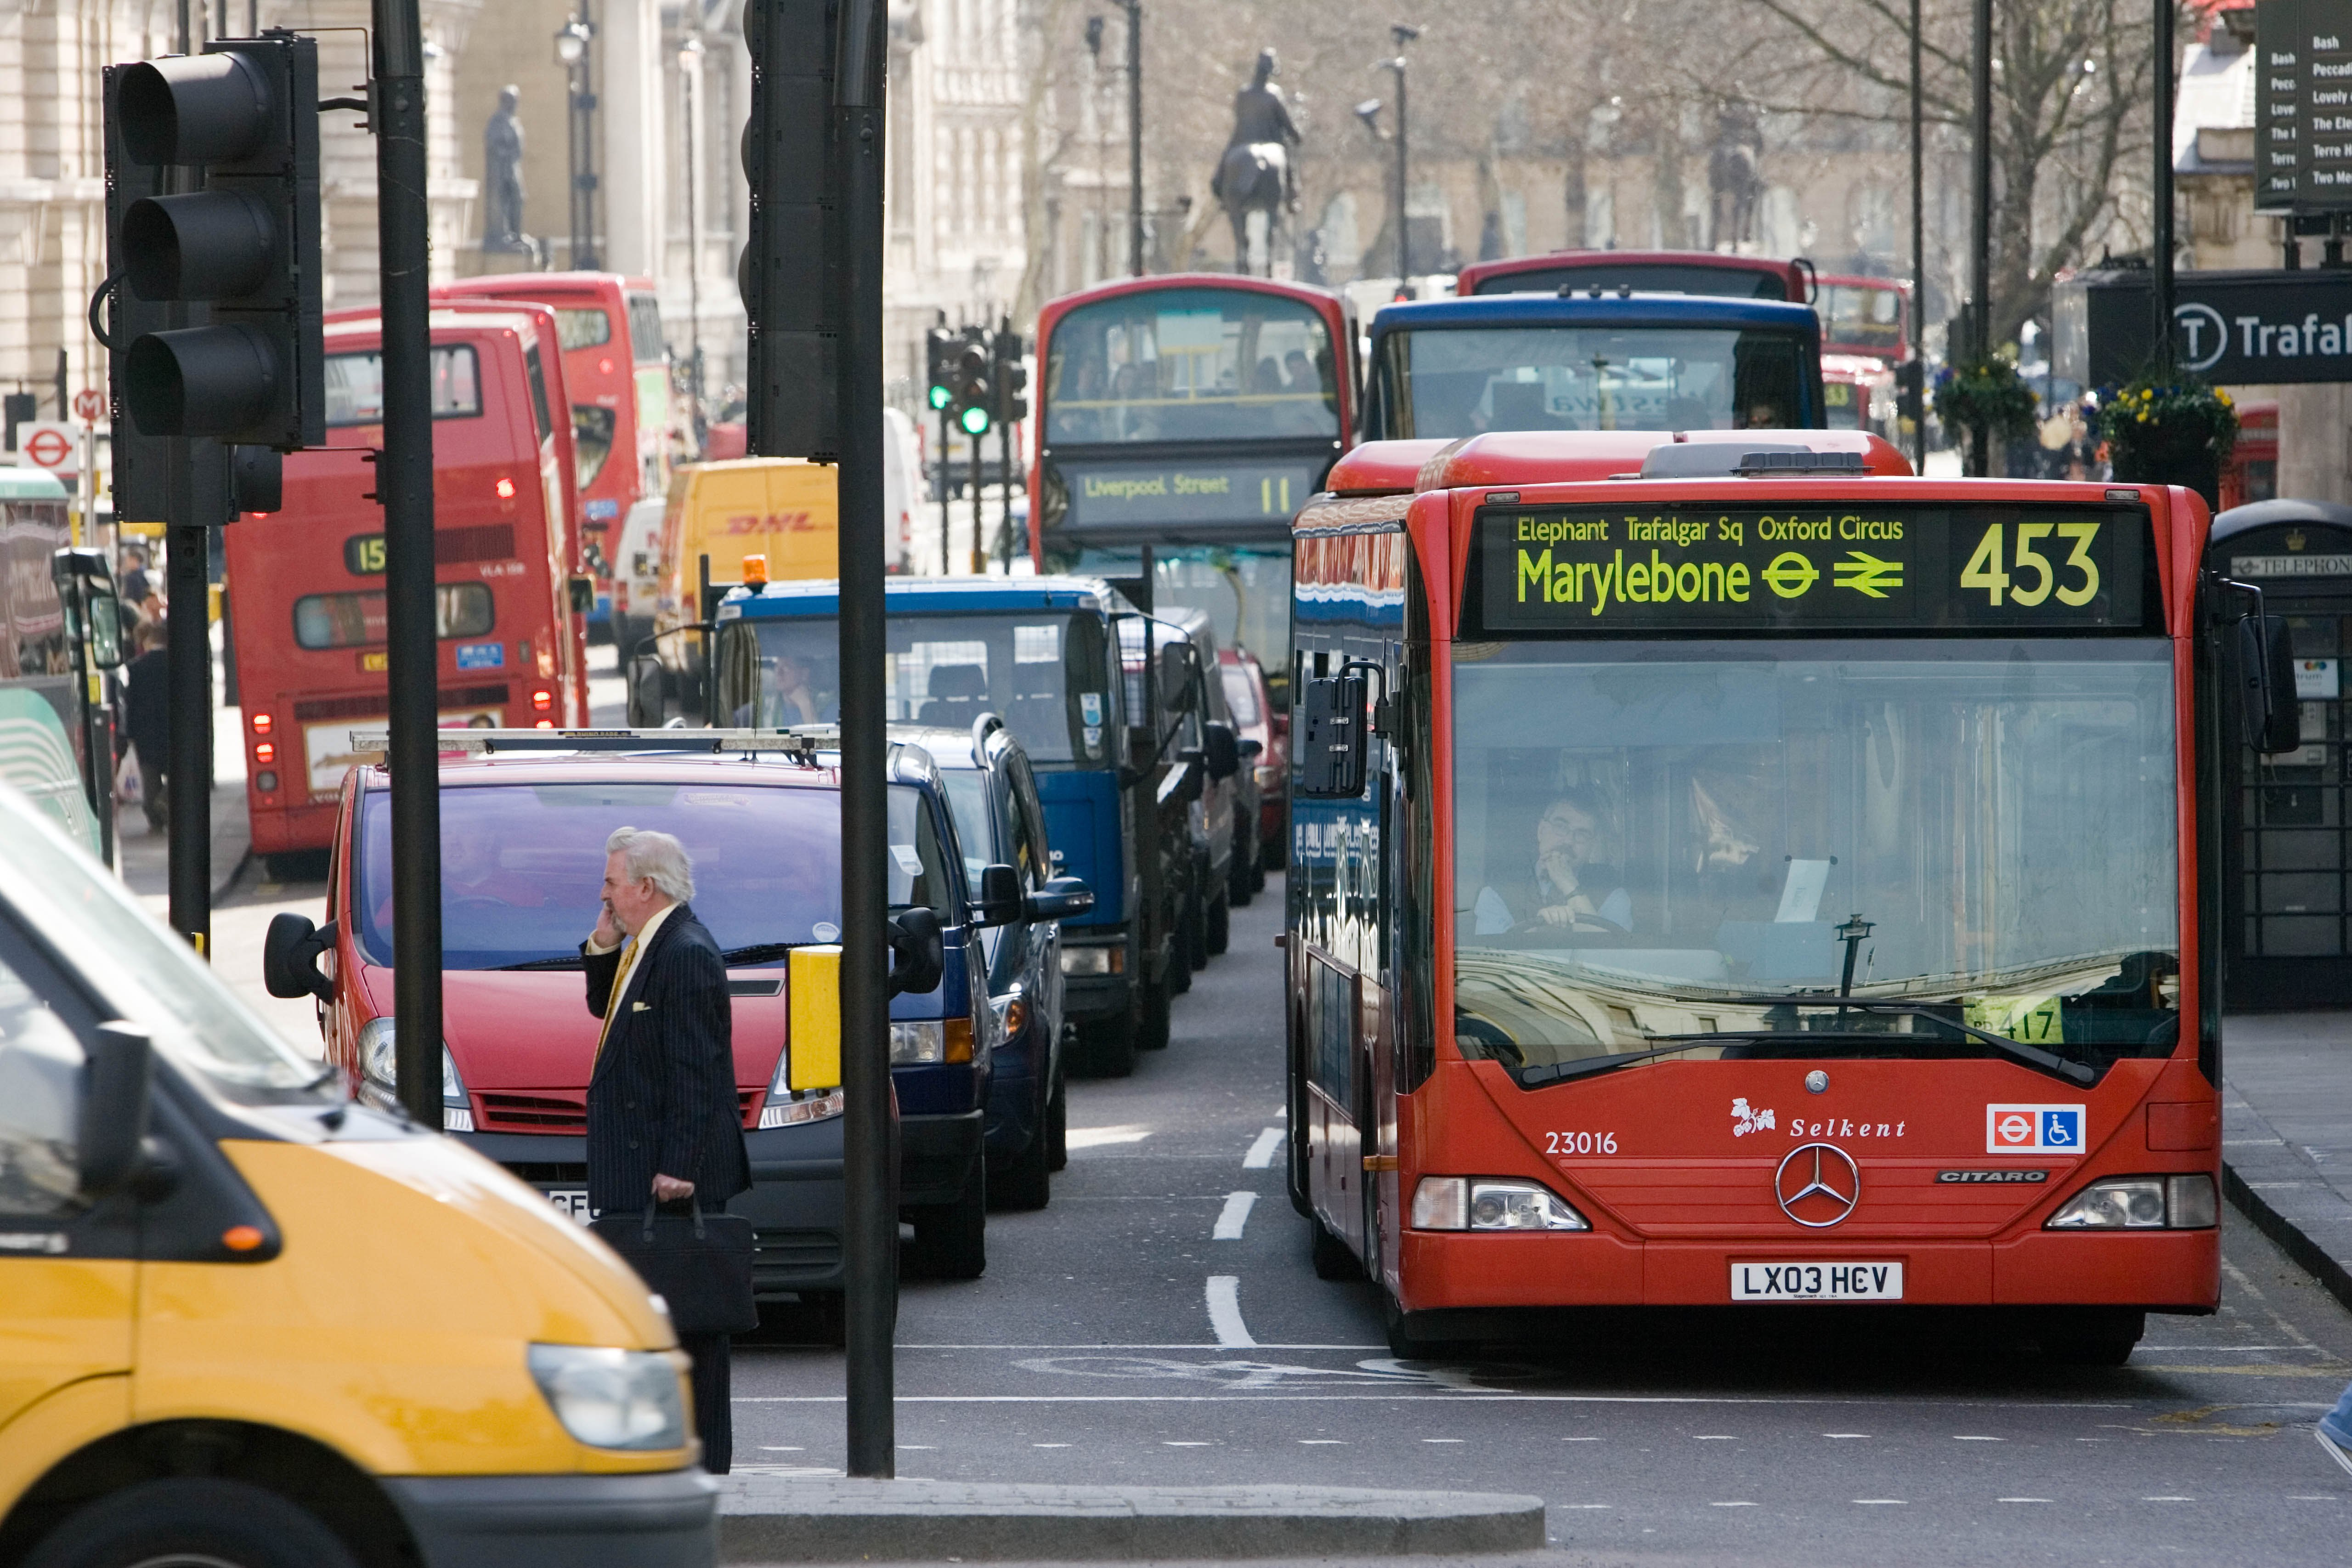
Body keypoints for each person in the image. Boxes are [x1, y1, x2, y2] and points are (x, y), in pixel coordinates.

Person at [580, 826, 751, 1472]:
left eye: (612, 884)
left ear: (645, 887)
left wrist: (679, 1164)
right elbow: (608, 1008)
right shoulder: (646, 946)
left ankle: (705, 1462)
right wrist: (602, 943)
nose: (605, 895)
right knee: (657, 1320)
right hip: (643, 1163)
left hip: (668, 1172)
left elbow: (695, 1070)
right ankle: (674, 1452)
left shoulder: (684, 953)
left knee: (692, 1323)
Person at [1472, 790, 1633, 935]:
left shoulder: (1612, 893)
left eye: (1582, 834)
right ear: (1541, 831)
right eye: (1561, 827)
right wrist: (1537, 931)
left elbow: (1613, 957)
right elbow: (1494, 959)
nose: (1569, 841)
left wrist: (1569, 885)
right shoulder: (1497, 891)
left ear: (1591, 847)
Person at [122, 617, 170, 835]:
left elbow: (130, 704)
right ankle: (166, 801)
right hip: (173, 732)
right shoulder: (178, 664)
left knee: (150, 778)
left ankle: (155, 819)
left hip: (146, 734)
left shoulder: (136, 668)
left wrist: (130, 734)